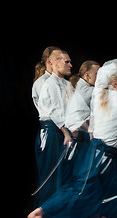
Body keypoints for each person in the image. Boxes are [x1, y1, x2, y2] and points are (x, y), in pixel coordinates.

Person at [27, 45, 117, 218]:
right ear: (116, 86)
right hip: (98, 149)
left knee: (115, 179)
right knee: (82, 188)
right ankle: (39, 212)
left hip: (101, 149)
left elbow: (104, 75)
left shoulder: (102, 91)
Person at [34, 50, 74, 207]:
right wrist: (64, 129)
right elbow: (51, 109)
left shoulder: (64, 83)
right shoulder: (43, 83)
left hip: (65, 130)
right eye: (62, 60)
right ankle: (42, 211)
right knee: (49, 173)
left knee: (63, 173)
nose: (68, 64)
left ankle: (58, 211)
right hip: (50, 129)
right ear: (51, 62)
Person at [65, 60, 100, 178]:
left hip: (82, 136)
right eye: (97, 74)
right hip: (80, 137)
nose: (99, 78)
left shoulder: (83, 87)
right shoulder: (85, 90)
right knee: (84, 175)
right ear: (87, 75)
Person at [32, 46, 61, 110]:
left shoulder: (60, 80)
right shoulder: (41, 82)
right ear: (49, 61)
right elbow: (49, 109)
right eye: (59, 59)